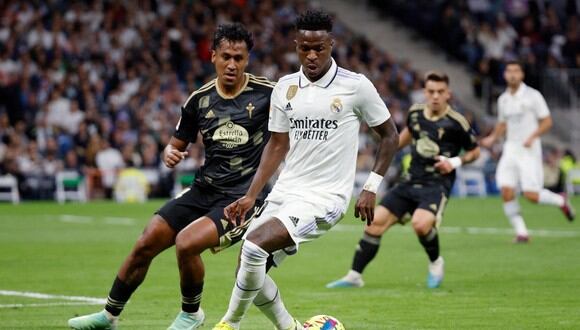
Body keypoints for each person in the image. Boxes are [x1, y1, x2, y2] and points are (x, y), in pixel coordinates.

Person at [68, 23, 275, 330]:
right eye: (227, 56)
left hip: (242, 198)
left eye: (240, 58)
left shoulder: (268, 94)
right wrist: (169, 153)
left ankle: (191, 314)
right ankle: (108, 316)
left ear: (247, 60)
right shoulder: (198, 100)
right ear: (213, 56)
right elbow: (175, 144)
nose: (232, 64)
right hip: (204, 190)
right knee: (147, 240)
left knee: (187, 243)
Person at [212, 10, 399, 330]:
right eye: (304, 48)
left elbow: (390, 135)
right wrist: (251, 195)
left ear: (331, 44)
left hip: (326, 197)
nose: (312, 55)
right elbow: (277, 145)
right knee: (248, 267)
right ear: (296, 45)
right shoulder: (285, 87)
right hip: (287, 191)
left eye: (319, 48)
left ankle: (230, 324)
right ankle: (292, 328)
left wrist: (370, 186)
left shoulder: (356, 86)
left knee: (255, 244)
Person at [326, 71, 481, 290]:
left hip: (436, 184)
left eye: (440, 92)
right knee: (374, 224)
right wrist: (383, 151)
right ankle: (354, 276)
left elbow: (475, 152)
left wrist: (454, 162)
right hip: (410, 180)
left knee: (420, 224)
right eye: (431, 91)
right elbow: (401, 138)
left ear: (448, 94)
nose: (435, 96)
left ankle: (436, 263)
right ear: (425, 92)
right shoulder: (416, 113)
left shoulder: (457, 122)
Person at [480, 61, 575, 243]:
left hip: (529, 150)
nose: (512, 74)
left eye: (516, 71)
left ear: (522, 75)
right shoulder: (503, 99)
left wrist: (533, 136)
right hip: (510, 149)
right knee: (506, 190)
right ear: (505, 75)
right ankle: (522, 232)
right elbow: (502, 124)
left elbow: (547, 121)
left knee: (531, 195)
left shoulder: (533, 96)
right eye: (509, 71)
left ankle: (560, 201)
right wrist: (493, 138)